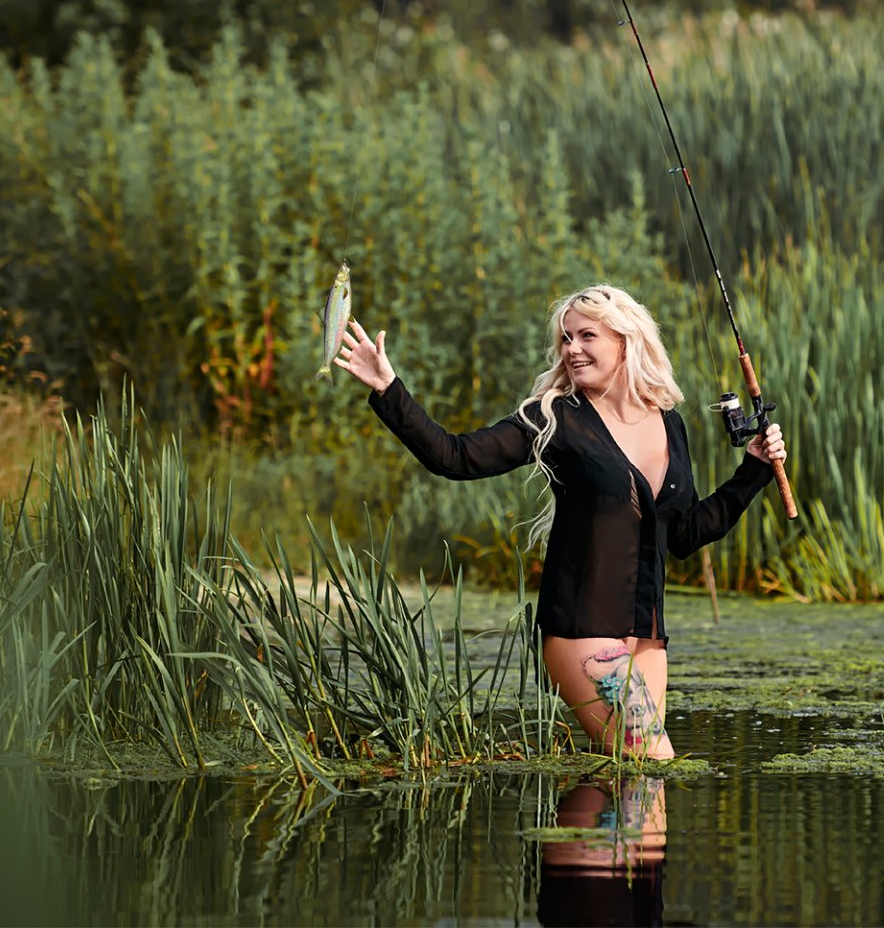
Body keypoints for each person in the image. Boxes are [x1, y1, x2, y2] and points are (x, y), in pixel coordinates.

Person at [333, 284, 786, 760]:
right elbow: (455, 457)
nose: (572, 349)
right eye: (566, 338)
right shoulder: (554, 418)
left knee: (636, 817)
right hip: (582, 629)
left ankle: (569, 835)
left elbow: (687, 533)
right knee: (651, 762)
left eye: (586, 336)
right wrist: (388, 388)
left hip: (647, 637)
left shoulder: (668, 421)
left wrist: (753, 471)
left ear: (625, 341)